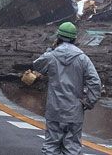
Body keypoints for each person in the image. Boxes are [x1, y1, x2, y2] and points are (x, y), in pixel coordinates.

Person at [33, 22, 101, 155]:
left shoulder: (51, 56)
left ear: (58, 37)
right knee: (72, 147)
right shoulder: (83, 58)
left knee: (51, 146)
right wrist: (89, 102)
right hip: (74, 111)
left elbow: (37, 65)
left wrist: (50, 50)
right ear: (74, 39)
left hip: (55, 109)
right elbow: (95, 82)